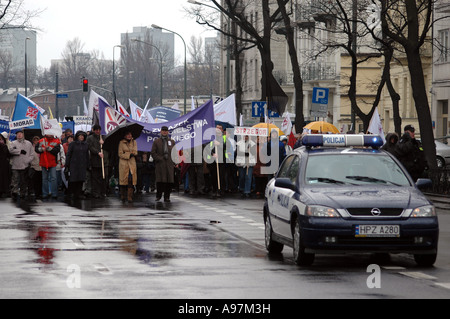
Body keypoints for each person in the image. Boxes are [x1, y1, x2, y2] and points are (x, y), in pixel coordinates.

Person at [151, 126, 176, 202]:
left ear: (168, 132)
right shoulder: (156, 141)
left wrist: (175, 162)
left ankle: (167, 197)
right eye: (163, 130)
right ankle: (158, 196)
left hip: (169, 164)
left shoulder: (172, 141)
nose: (165, 132)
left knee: (169, 181)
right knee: (160, 181)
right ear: (161, 131)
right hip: (160, 165)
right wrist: (159, 159)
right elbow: (153, 153)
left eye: (166, 130)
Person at [9, 130, 35, 200]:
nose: (19, 135)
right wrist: (19, 151)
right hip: (15, 165)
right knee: (15, 179)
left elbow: (32, 154)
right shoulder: (13, 143)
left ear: (23, 135)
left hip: (25, 165)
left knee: (24, 180)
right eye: (18, 134)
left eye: (20, 134)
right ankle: (14, 192)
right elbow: (10, 150)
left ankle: (23, 193)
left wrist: (27, 160)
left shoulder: (28, 143)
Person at [36, 133, 61, 200]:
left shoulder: (56, 141)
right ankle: (45, 193)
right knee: (44, 179)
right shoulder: (41, 140)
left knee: (53, 178)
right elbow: (36, 149)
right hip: (43, 162)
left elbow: (57, 150)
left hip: (52, 162)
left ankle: (54, 193)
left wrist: (48, 148)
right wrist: (41, 149)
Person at [65, 131, 90, 200]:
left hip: (82, 164)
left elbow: (87, 155)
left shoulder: (86, 144)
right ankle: (72, 193)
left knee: (81, 180)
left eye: (83, 136)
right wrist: (67, 164)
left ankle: (79, 193)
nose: (81, 137)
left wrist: (88, 164)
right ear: (77, 136)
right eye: (80, 135)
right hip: (74, 164)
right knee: (73, 179)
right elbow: (69, 154)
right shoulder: (73, 144)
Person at [118, 130, 138, 203]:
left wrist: (128, 153)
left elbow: (135, 152)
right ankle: (123, 195)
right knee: (124, 181)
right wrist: (128, 155)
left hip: (132, 163)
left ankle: (130, 197)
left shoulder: (134, 142)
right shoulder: (121, 142)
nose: (129, 136)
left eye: (130, 134)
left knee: (131, 180)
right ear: (125, 136)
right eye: (127, 134)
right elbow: (120, 154)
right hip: (124, 164)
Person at [87, 124, 107, 199]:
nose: (98, 131)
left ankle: (102, 192)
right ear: (93, 130)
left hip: (102, 162)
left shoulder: (103, 137)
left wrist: (103, 143)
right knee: (95, 178)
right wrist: (97, 152)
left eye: (99, 130)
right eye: (96, 130)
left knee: (102, 177)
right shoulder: (90, 138)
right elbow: (90, 147)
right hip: (94, 161)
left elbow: (107, 147)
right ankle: (95, 192)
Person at [0, 133, 11, 198]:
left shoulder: (4, 146)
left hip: (3, 164)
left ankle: (4, 190)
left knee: (4, 178)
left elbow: (7, 154)